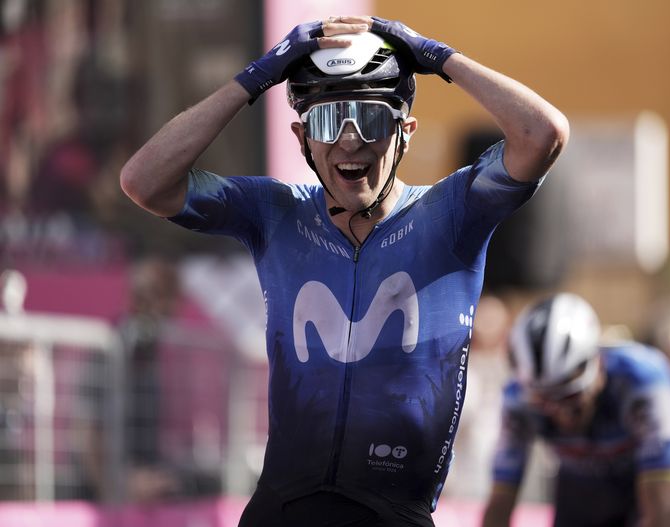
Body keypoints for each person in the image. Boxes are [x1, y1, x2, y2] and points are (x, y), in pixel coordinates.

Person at [120, 15, 568, 527]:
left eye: (372, 120)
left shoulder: (453, 214)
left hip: (393, 514)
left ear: (405, 132)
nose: (350, 142)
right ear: (301, 138)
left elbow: (543, 133)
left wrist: (438, 57)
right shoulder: (275, 212)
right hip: (281, 510)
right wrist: (256, 77)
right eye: (327, 122)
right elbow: (144, 181)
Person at [481, 293, 670, 527]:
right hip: (582, 485)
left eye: (569, 396)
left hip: (648, 478)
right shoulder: (517, 399)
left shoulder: (644, 383)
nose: (559, 412)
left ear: (596, 366)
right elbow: (499, 505)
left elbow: (659, 514)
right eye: (543, 401)